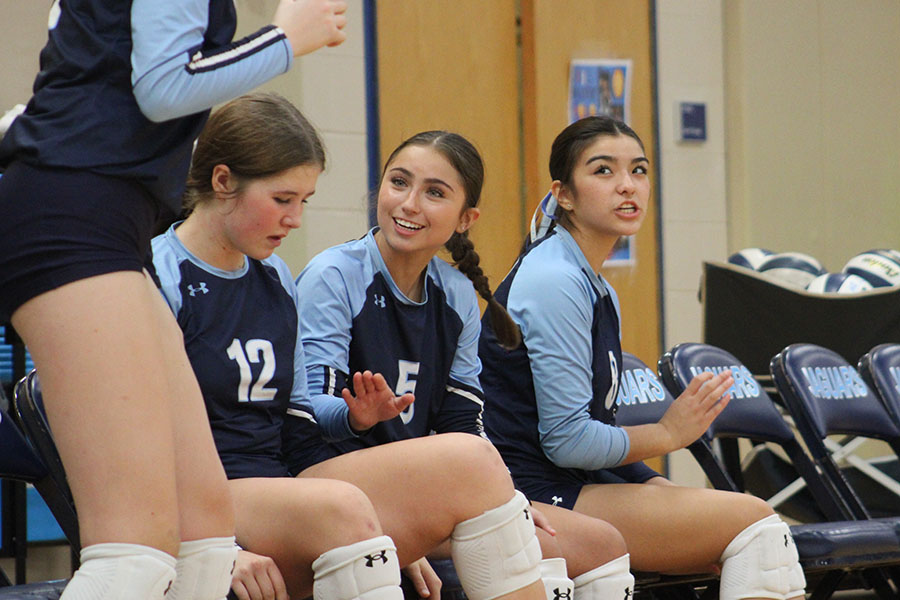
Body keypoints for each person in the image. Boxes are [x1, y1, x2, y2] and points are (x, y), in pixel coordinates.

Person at [0, 2, 347, 599]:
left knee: (206, 535)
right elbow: (164, 87)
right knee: (134, 552)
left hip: (107, 224)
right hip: (73, 221)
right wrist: (286, 40)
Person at [153, 98, 547, 600]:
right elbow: (129, 453)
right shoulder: (157, 277)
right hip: (206, 497)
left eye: (305, 201)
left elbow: (297, 424)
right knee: (348, 511)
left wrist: (357, 431)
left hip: (276, 484)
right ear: (223, 181)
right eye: (282, 199)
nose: (295, 219)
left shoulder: (274, 275)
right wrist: (213, 546)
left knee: (479, 471)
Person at [294, 130, 634, 600]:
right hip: (329, 481)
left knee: (598, 544)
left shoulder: (454, 294)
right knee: (523, 540)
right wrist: (355, 416)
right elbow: (307, 417)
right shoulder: (335, 275)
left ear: (465, 219)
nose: (409, 204)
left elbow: (462, 421)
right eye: (399, 182)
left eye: (434, 193)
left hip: (425, 489)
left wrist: (498, 499)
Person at [478, 116, 806, 600]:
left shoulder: (591, 282)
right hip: (524, 493)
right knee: (756, 525)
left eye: (639, 170)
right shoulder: (555, 279)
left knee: (738, 515)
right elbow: (568, 442)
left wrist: (662, 491)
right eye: (603, 171)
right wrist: (667, 434)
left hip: (569, 481)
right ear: (563, 194)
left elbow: (590, 430)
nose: (627, 186)